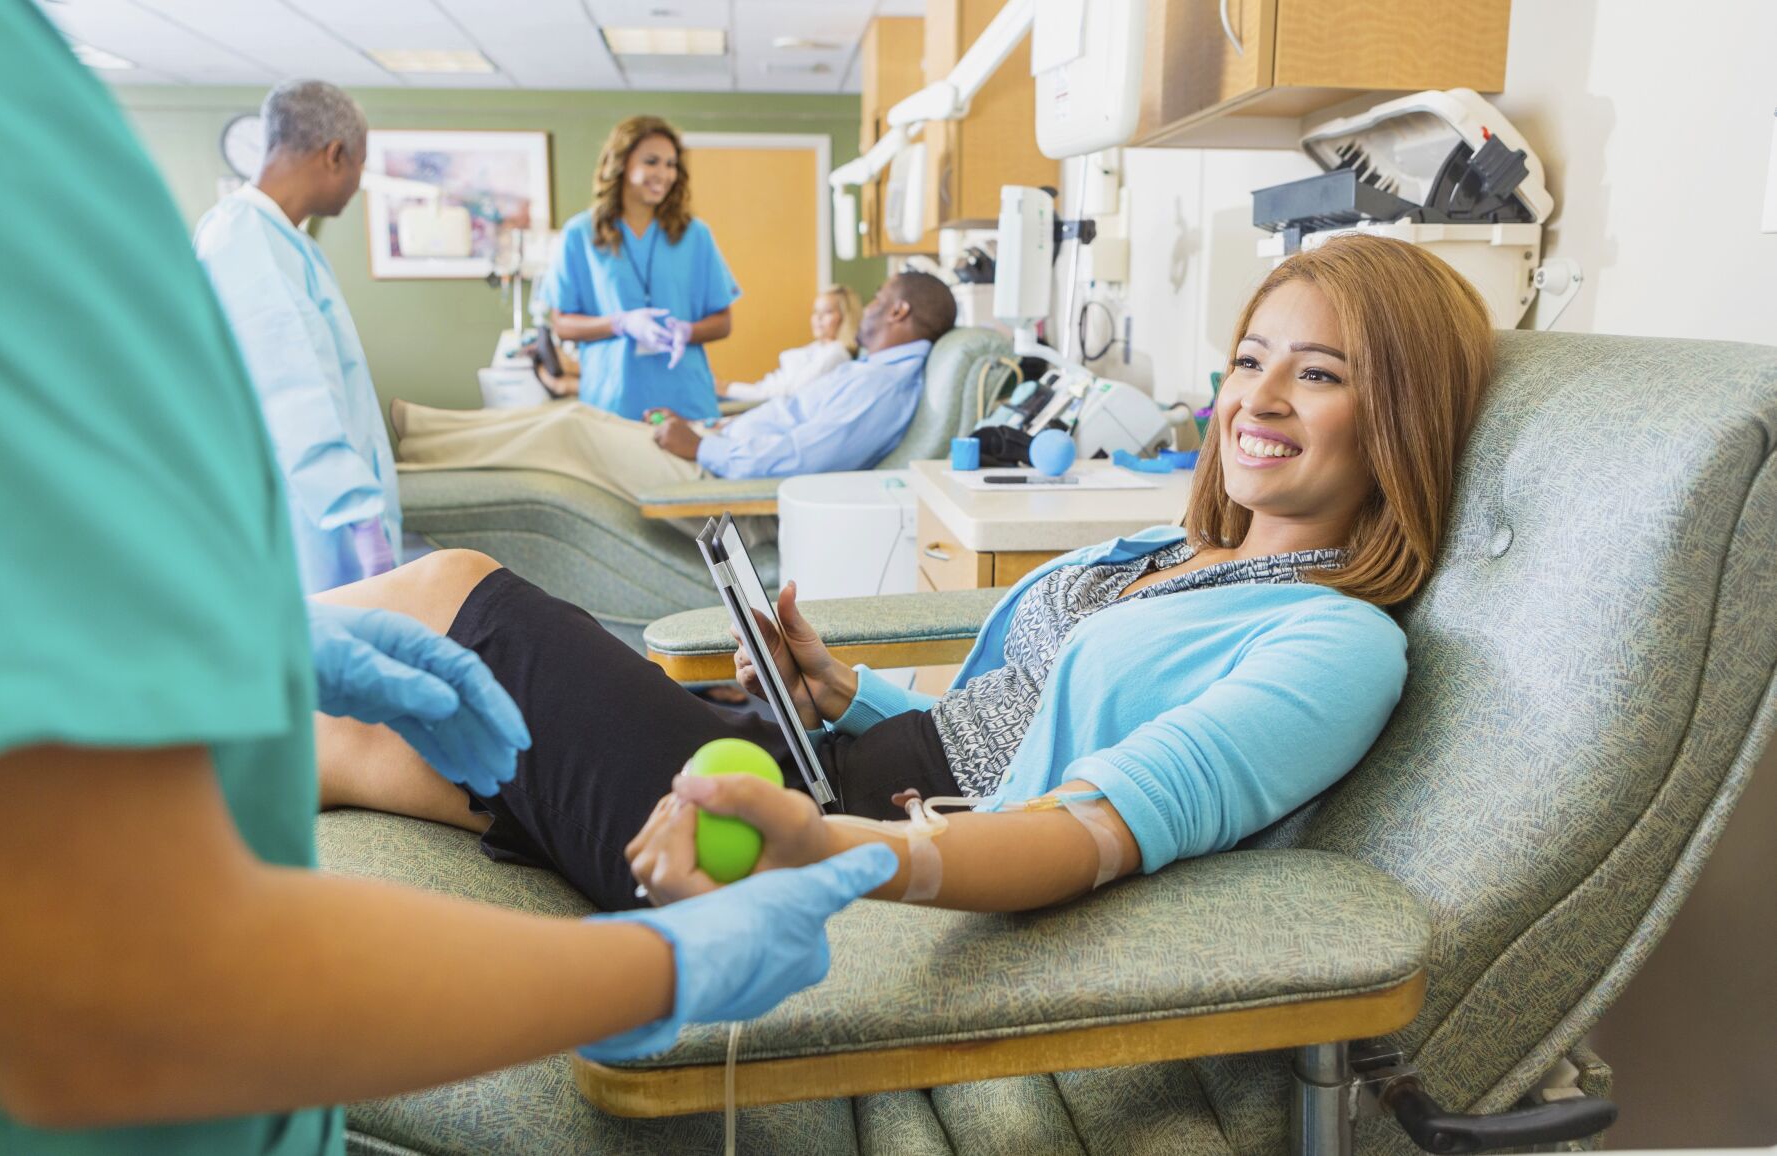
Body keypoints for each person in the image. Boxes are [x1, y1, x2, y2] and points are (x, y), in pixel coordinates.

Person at [0, 7, 895, 1152]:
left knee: (419, 670)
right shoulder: (31, 129)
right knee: (457, 612)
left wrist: (271, 644)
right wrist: (646, 971)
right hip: (151, 1091)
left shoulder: (27, 85)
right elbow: (111, 979)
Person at [314, 233, 1496, 913]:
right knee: (363, 743)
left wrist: (824, 852)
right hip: (818, 769)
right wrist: (845, 690)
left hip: (830, 848)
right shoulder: (1177, 553)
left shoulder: (1335, 640)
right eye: (1248, 360)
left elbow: (1087, 833)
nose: (1257, 399)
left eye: (1318, 374)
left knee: (448, 589)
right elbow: (997, 723)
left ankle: (197, 647)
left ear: (1400, 413)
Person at [389, 272, 955, 503]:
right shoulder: (869, 372)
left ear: (899, 311)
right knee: (584, 416)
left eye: (879, 299)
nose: (870, 308)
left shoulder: (885, 386)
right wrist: (719, 426)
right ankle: (420, 431)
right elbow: (792, 426)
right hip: (721, 448)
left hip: (719, 477)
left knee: (568, 429)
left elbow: (805, 457)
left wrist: (701, 446)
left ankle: (412, 465)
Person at [193, 79, 401, 595]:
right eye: (359, 164)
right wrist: (359, 514)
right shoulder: (245, 241)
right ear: (335, 155)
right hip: (310, 520)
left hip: (319, 514)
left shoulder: (283, 241)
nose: (358, 182)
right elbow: (293, 393)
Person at [542, 115, 739, 421]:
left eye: (671, 165)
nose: (664, 173)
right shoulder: (581, 234)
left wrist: (687, 331)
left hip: (686, 399)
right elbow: (562, 324)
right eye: (651, 162)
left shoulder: (694, 235)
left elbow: (723, 322)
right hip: (613, 400)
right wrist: (620, 323)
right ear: (621, 163)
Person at [720, 285, 862, 402]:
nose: (818, 318)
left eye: (827, 312)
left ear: (845, 316)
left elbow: (790, 394)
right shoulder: (817, 348)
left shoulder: (836, 354)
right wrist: (729, 388)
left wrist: (729, 389)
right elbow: (774, 386)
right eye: (815, 312)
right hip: (763, 397)